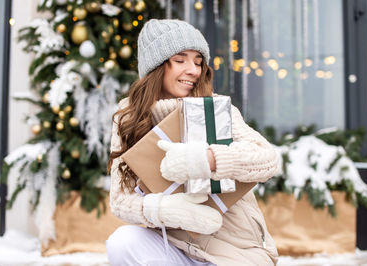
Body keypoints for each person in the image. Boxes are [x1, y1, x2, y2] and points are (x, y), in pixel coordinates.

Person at [106, 19, 279, 266]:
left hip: (233, 252)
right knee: (122, 242)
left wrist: (208, 159)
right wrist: (165, 209)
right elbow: (120, 200)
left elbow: (267, 160)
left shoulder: (216, 108)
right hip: (174, 247)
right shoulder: (130, 116)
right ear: (156, 67)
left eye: (198, 61)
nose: (194, 70)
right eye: (180, 60)